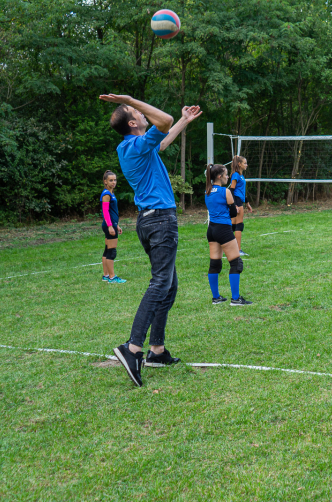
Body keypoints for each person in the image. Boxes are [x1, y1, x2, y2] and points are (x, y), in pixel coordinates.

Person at [100, 94, 202, 387]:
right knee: (160, 284)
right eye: (137, 111)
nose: (143, 113)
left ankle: (156, 350)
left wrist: (184, 119)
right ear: (133, 122)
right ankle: (132, 348)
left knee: (169, 285)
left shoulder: (138, 147)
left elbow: (165, 137)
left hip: (151, 220)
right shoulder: (132, 145)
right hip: (159, 221)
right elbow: (164, 120)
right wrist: (129, 99)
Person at [205, 164, 251, 307]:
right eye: (225, 175)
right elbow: (232, 213)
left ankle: (216, 298)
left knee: (215, 264)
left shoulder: (206, 191)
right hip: (223, 229)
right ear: (219, 176)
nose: (227, 177)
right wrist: (234, 208)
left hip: (211, 230)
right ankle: (236, 299)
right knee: (236, 263)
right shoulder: (225, 192)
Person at [100, 171, 126, 284]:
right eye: (111, 180)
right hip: (108, 225)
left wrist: (116, 225)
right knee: (112, 251)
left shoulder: (111, 193)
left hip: (111, 224)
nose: (113, 182)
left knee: (107, 250)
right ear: (105, 181)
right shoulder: (106, 194)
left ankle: (106, 275)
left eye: (115, 180)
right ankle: (112, 277)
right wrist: (111, 226)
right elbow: (105, 211)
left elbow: (111, 212)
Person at [228, 155, 253, 255]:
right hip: (237, 201)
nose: (246, 165)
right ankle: (237, 250)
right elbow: (231, 190)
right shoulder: (235, 175)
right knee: (238, 225)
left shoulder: (241, 175)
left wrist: (247, 203)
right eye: (245, 163)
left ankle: (230, 248)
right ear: (239, 164)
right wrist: (234, 205)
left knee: (233, 226)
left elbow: (242, 191)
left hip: (240, 200)